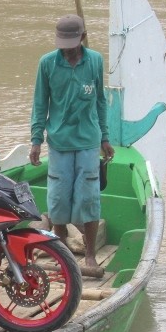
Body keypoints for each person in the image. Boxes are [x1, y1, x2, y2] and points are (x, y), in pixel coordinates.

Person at [29, 14, 114, 270]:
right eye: (62, 44)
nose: (66, 50)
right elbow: (40, 103)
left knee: (88, 198)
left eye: (72, 43)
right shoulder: (47, 64)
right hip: (59, 142)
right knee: (58, 199)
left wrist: (105, 136)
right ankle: (62, 251)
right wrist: (36, 140)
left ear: (83, 39)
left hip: (88, 141)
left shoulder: (95, 61)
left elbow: (100, 100)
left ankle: (89, 254)